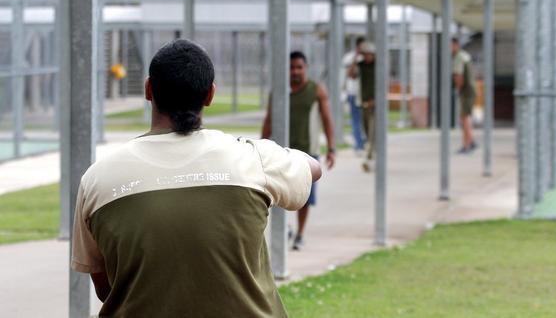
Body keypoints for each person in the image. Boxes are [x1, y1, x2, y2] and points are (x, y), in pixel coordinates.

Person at [71, 39, 322, 317]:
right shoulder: (252, 159)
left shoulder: (97, 180)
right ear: (210, 95)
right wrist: (261, 150)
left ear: (148, 89)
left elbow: (107, 287)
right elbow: (313, 169)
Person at [262, 51, 336, 251]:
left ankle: (300, 234)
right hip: (281, 152)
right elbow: (269, 119)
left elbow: (327, 119)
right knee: (277, 195)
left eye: (299, 67)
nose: (295, 71)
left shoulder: (316, 91)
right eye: (291, 67)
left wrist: (331, 148)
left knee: (304, 198)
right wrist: (260, 146)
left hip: (307, 154)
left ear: (306, 68)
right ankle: (284, 228)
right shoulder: (278, 91)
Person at [348, 42, 376, 172]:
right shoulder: (361, 65)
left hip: (376, 106)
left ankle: (367, 158)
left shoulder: (378, 66)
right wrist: (356, 57)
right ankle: (371, 155)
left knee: (372, 132)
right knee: (366, 131)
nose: (366, 57)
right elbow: (351, 74)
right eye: (364, 54)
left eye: (368, 54)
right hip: (364, 104)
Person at [452, 37, 478, 153]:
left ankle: (467, 145)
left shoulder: (459, 57)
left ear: (456, 45)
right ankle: (471, 141)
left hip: (466, 91)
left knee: (464, 118)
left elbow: (459, 76)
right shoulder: (464, 56)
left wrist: (457, 89)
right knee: (466, 117)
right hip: (470, 90)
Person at [342, 37, 366, 154]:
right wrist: (356, 60)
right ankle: (359, 145)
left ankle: (364, 142)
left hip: (365, 95)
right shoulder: (350, 58)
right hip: (353, 94)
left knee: (366, 121)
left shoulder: (368, 58)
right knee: (356, 120)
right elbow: (350, 74)